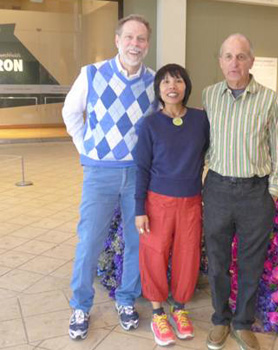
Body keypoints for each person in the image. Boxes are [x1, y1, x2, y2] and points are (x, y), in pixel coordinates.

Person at [62, 14, 157, 340]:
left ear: (147, 44)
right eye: (129, 37)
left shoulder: (155, 82)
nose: (135, 44)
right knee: (89, 240)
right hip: (100, 173)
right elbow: (70, 113)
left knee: (136, 241)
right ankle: (80, 305)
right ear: (117, 41)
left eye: (141, 39)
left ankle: (127, 299)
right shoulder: (92, 74)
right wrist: (85, 148)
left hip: (137, 175)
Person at [202, 33, 278, 350]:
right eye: (227, 56)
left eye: (240, 56)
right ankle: (220, 320)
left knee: (251, 263)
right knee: (218, 261)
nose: (234, 63)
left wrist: (273, 193)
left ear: (251, 61)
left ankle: (242, 322)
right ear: (220, 61)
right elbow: (205, 143)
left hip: (256, 194)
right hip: (219, 190)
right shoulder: (210, 96)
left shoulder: (270, 100)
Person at [135, 64, 209, 346]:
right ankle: (157, 314)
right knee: (154, 254)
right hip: (157, 202)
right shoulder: (151, 124)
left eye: (177, 81)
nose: (171, 86)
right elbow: (141, 168)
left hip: (191, 201)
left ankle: (179, 309)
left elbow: (209, 151)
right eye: (165, 82)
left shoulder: (201, 120)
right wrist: (139, 209)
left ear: (186, 86)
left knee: (187, 256)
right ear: (159, 90)